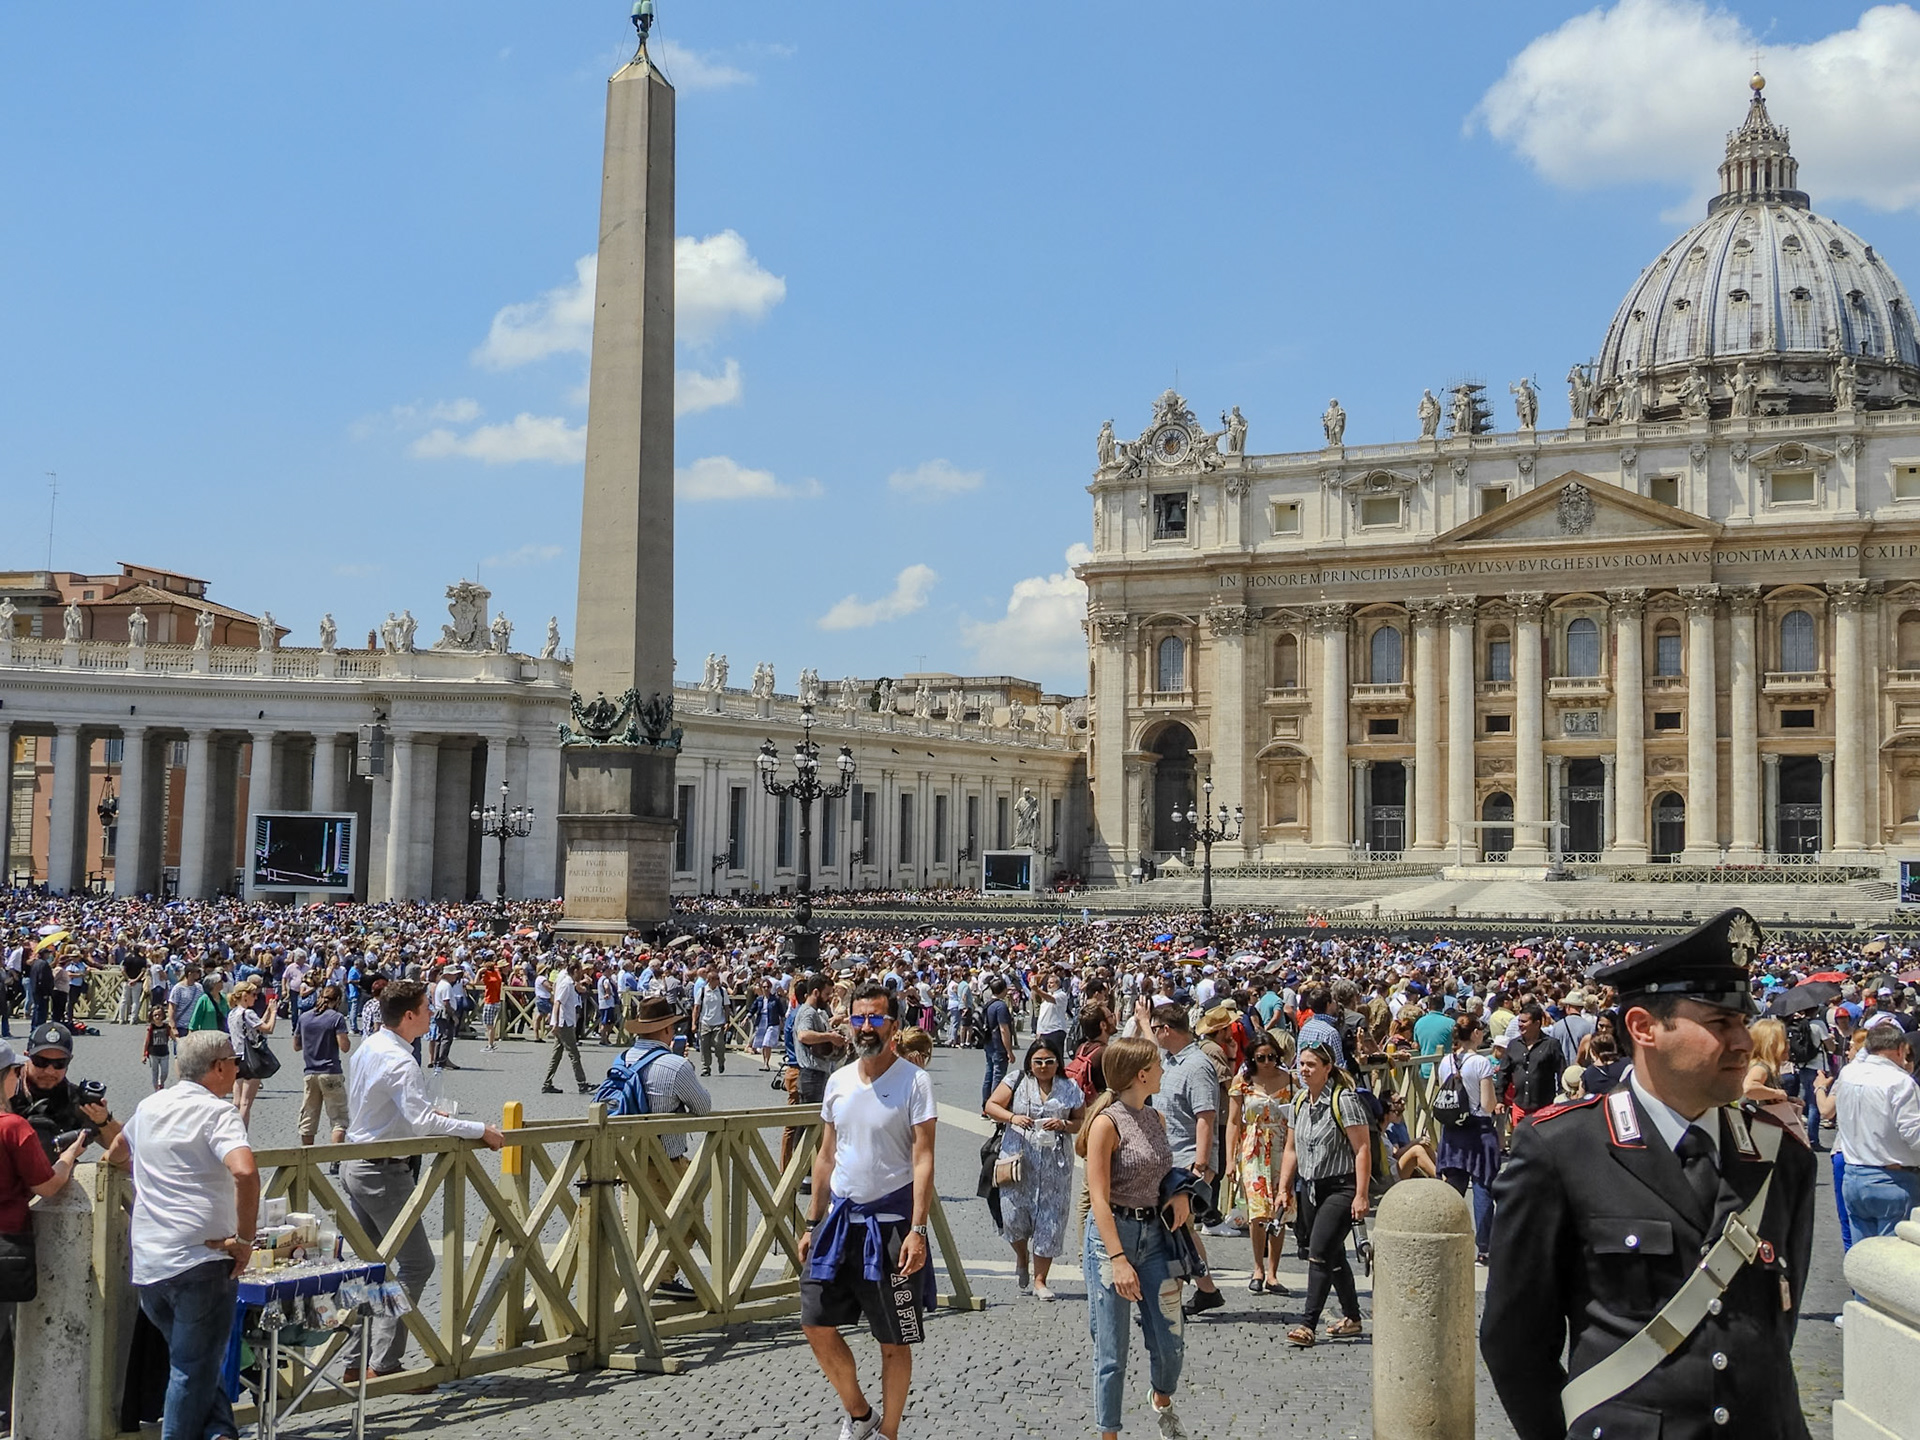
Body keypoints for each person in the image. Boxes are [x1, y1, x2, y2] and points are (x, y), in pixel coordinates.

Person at [1481, 909, 1816, 1440]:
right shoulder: (1562, 1149)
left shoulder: (1781, 1155)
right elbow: (1515, 1342)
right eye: (1719, 1023)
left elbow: (1778, 1324)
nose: (1743, 1042)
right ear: (1643, 1028)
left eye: (1742, 1022)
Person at [341, 979, 505, 1383]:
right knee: (416, 1264)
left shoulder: (370, 1045)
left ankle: (353, 1361)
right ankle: (384, 1362)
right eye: (427, 1008)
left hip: (355, 1162)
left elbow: (389, 1108)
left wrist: (431, 1116)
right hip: (382, 1171)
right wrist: (479, 1129)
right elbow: (421, 1122)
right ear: (410, 1015)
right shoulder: (401, 1060)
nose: (432, 1013)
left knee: (366, 1267)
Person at [799, 982, 936, 1440]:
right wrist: (812, 1222)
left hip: (893, 1229)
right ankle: (860, 1414)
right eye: (859, 1018)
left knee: (894, 1339)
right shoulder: (838, 1081)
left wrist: (918, 1229)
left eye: (876, 1018)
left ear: (893, 1025)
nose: (866, 1027)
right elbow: (826, 1156)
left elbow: (923, 1158)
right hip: (839, 1224)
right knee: (815, 1322)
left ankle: (888, 1433)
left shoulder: (914, 1081)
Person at [113, 1031, 257, 1440]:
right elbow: (245, 1171)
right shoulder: (218, 1112)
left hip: (151, 1262)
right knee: (191, 1370)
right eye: (234, 1062)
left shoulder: (150, 1104)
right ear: (218, 1067)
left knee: (196, 1362)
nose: (238, 1068)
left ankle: (221, 1433)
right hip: (200, 1262)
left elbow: (117, 1153)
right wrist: (245, 1241)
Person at [1078, 1034, 1189, 1440]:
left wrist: (1178, 1193)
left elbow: (1162, 1171)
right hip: (1112, 1237)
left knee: (1171, 1341)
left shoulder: (1155, 1118)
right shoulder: (1106, 1124)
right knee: (1112, 1351)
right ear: (1141, 1075)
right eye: (1157, 1065)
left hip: (1155, 1235)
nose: (1162, 1070)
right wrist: (1117, 1258)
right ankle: (1108, 1434)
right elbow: (1099, 1199)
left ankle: (1162, 1396)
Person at [0, 1039, 89, 1430]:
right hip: (6, 1242)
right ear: (7, 1076)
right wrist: (68, 1157)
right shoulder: (13, 1128)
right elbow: (48, 1185)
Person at [607, 995, 713, 1300]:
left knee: (632, 1226)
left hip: (627, 1156)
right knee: (689, 1219)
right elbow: (703, 1108)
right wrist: (686, 1066)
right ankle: (662, 1277)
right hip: (664, 1158)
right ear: (667, 1029)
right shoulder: (676, 1066)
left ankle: (626, 1284)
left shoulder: (622, 1060)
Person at [1275, 1041, 1370, 1346]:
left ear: (1327, 1068)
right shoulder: (1300, 1101)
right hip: (1310, 1187)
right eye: (1301, 1064)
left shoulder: (1344, 1101)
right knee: (1334, 1253)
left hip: (1341, 1187)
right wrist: (1283, 1188)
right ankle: (1353, 1317)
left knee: (1318, 1253)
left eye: (1311, 1065)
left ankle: (1307, 1324)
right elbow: (1291, 1148)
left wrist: (1362, 1195)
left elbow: (1362, 1149)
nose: (1304, 1070)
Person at [984, 1038, 1085, 1300]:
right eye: (1038, 1061)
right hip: (1018, 1161)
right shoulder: (1016, 1080)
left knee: (1050, 1224)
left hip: (1055, 1166)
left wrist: (1063, 1124)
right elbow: (991, 1106)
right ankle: (1021, 1256)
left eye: (1049, 1061)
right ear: (1030, 1062)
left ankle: (1041, 1281)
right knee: (1013, 1218)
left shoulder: (1070, 1087)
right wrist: (1013, 1117)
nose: (1043, 1066)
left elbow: (1080, 1121)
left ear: (1058, 1063)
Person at [1147, 1004, 1224, 1315]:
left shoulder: (1197, 1066)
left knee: (1173, 1232)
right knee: (1183, 1231)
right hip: (1170, 1159)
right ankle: (1207, 1290)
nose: (1154, 1035)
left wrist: (1200, 1167)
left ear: (1166, 1030)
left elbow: (1205, 1117)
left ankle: (1169, 1306)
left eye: (1155, 1029)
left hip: (1188, 1162)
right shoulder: (1168, 1060)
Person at [1832, 1019, 1920, 1242]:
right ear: (1900, 1050)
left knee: (1861, 1255)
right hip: (1892, 1179)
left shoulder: (1848, 1074)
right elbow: (1914, 1134)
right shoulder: (1900, 1082)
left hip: (1854, 1174)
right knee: (1892, 1256)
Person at [1224, 1037, 1292, 1295]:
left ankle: (1273, 1272)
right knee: (1257, 1211)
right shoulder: (1242, 1081)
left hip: (1282, 1147)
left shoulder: (1290, 1081)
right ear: (1252, 1058)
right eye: (1261, 1058)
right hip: (1253, 1149)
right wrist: (1230, 1159)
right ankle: (1258, 1269)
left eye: (1271, 1057)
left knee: (1279, 1210)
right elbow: (1233, 1122)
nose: (1266, 1062)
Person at [1434, 1015, 1500, 1263]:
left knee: (1453, 1186)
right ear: (1474, 1033)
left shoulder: (1445, 1061)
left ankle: (1444, 1237)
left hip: (1453, 1129)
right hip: (1478, 1129)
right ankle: (1484, 1248)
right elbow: (1487, 1104)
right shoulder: (1481, 1062)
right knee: (1482, 1188)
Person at [10, 1023, 121, 1164]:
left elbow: (120, 1144)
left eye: (59, 1063)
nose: (49, 1071)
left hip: (57, 1172)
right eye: (41, 1062)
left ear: (69, 1061)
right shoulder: (7, 1087)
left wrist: (103, 1120)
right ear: (27, 1057)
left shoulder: (73, 1097)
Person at [296, 985, 352, 1147]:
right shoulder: (336, 1018)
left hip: (310, 1072)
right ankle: (335, 1157)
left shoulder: (304, 1017)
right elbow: (344, 1046)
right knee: (338, 1120)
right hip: (331, 1071)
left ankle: (307, 1156)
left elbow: (296, 1045)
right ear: (338, 1000)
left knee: (308, 1118)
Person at [1494, 1003, 1565, 1124]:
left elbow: (1561, 1072)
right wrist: (1499, 1099)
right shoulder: (1513, 1045)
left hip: (1544, 1107)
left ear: (1537, 1023)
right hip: (1519, 1106)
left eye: (1524, 1021)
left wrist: (1561, 1097)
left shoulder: (1551, 1045)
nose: (1520, 1024)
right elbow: (1503, 1073)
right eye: (1519, 1021)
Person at [1744, 1016, 1807, 1144]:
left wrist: (1787, 1099)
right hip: (1761, 1130)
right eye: (1784, 1040)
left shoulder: (1767, 1067)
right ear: (1772, 1045)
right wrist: (1777, 1093)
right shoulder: (1761, 1068)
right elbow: (1749, 1088)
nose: (1788, 1045)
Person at [225, 978, 278, 1128]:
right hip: (251, 1058)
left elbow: (256, 1025)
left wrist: (267, 1011)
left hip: (237, 1057)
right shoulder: (248, 1012)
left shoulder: (233, 1013)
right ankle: (241, 1133)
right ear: (245, 996)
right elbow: (268, 1029)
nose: (256, 998)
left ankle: (230, 1129)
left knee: (236, 1101)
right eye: (253, 994)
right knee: (246, 1103)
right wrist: (274, 1012)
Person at [540, 960, 590, 1095]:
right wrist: (555, 1023)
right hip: (564, 1024)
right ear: (575, 971)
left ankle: (547, 1083)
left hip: (564, 1022)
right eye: (580, 971)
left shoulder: (568, 981)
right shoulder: (567, 983)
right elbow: (558, 1002)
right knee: (574, 1054)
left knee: (556, 1055)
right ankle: (582, 1083)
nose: (581, 973)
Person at [980, 978, 1015, 1108]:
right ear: (1003, 989)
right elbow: (1004, 1029)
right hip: (998, 1044)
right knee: (998, 1075)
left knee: (989, 1073)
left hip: (988, 1043)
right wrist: (1009, 1051)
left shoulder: (988, 1004)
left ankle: (985, 1104)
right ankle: (995, 1105)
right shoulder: (1001, 1006)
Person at [694, 967, 731, 1077]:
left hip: (718, 1022)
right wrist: (694, 1023)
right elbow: (696, 1007)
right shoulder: (702, 991)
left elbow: (726, 1007)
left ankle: (721, 1060)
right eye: (716, 979)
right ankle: (706, 1068)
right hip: (705, 1021)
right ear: (710, 980)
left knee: (719, 1044)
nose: (718, 981)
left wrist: (727, 1021)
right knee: (704, 1046)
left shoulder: (722, 991)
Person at [750, 977, 785, 1070]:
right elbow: (752, 1010)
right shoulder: (759, 999)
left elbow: (781, 1012)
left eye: (768, 987)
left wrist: (783, 1021)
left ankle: (766, 1063)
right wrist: (746, 1019)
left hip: (772, 1021)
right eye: (764, 987)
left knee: (767, 1042)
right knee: (763, 1043)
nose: (766, 989)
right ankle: (765, 1062)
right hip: (762, 1021)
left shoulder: (775, 999)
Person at [143, 1003, 175, 1091]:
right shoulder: (151, 1028)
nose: (157, 1017)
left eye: (159, 1015)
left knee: (165, 1072)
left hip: (164, 1053)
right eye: (155, 1015)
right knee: (155, 1072)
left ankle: (161, 1082)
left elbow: (173, 1037)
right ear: (152, 1016)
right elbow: (146, 1041)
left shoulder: (166, 1027)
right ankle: (156, 1089)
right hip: (153, 1053)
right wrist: (144, 1055)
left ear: (163, 1016)